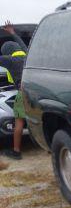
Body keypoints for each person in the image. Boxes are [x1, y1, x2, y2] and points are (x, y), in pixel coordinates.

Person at [0, 21, 28, 160]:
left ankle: (16, 151)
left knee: (19, 122)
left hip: (22, 94)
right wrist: (12, 33)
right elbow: (22, 44)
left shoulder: (8, 60)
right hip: (36, 92)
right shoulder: (28, 54)